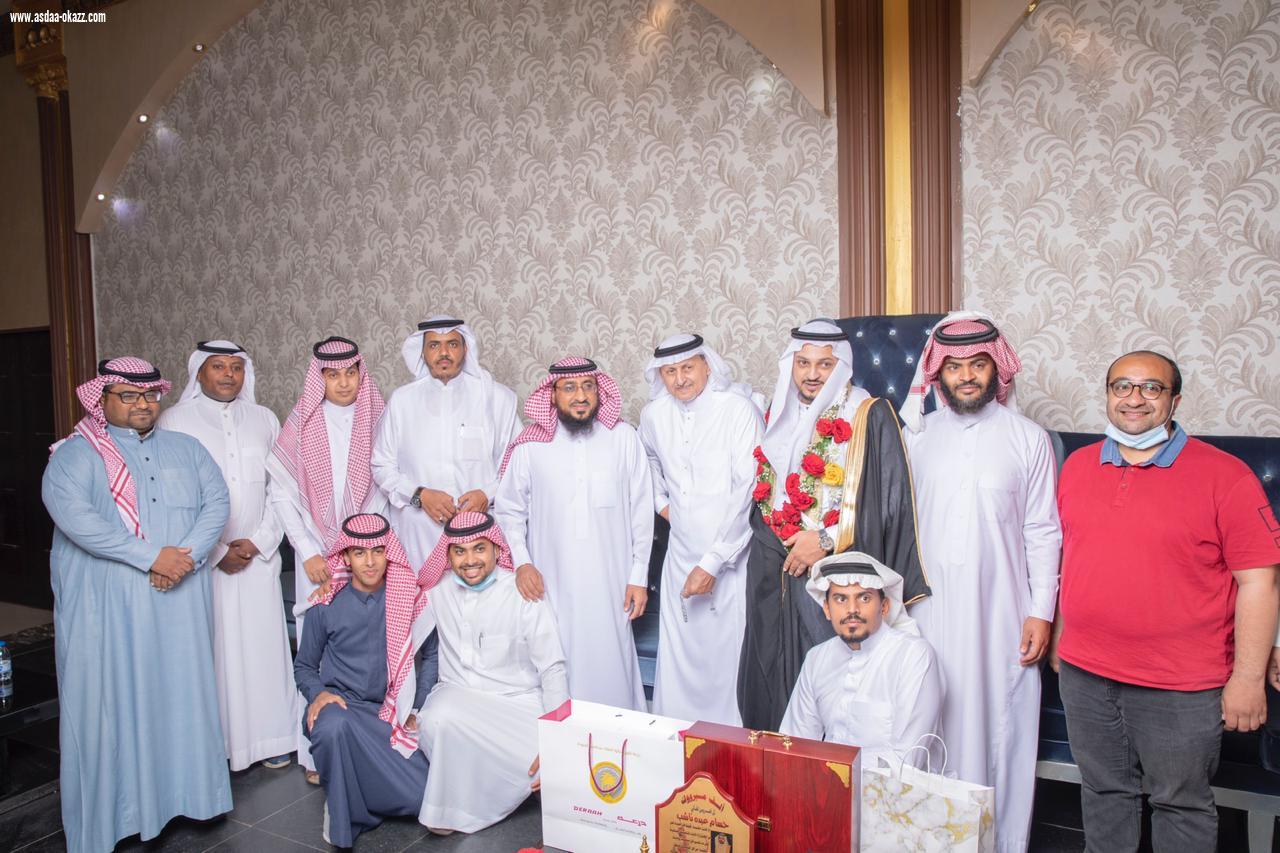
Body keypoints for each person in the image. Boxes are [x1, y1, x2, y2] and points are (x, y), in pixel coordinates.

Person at [1053, 351, 1280, 852]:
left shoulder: (1226, 476)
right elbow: (1073, 556)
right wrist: (1061, 637)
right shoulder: (1077, 466)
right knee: (1102, 792)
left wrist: (1247, 680)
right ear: (1108, 395)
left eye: (1151, 388)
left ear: (1174, 400)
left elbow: (1260, 582)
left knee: (1180, 804)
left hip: (1179, 684)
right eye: (1122, 386)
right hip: (1086, 674)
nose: (1134, 398)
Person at [42, 357, 232, 852]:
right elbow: (77, 519)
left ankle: (190, 800)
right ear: (102, 398)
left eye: (149, 395)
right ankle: (119, 818)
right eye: (128, 395)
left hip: (178, 603)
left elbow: (216, 503)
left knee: (180, 696)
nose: (142, 404)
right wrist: (152, 557)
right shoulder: (75, 456)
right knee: (111, 706)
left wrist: (182, 559)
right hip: (109, 611)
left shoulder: (186, 449)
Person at [899, 312, 1061, 853]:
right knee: (926, 721)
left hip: (1002, 614)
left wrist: (1041, 612)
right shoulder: (916, 438)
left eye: (978, 365)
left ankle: (1000, 843)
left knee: (1001, 727)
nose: (966, 376)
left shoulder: (1028, 438)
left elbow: (1043, 531)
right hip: (925, 612)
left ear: (998, 369)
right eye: (954, 367)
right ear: (937, 373)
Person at [739, 319, 929, 730]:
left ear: (840, 366)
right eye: (803, 363)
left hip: (835, 574)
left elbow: (888, 503)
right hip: (774, 570)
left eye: (824, 364)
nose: (812, 374)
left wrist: (825, 540)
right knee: (767, 669)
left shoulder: (868, 414)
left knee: (829, 682)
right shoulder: (778, 414)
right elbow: (765, 493)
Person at [159, 340, 296, 770]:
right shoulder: (174, 421)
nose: (228, 375)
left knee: (262, 650)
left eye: (235, 367)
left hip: (258, 556)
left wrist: (260, 541)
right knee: (213, 652)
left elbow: (281, 488)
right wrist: (217, 551)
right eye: (217, 366)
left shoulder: (264, 418)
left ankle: (272, 740)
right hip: (204, 560)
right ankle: (215, 747)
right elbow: (172, 497)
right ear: (199, 372)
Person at [495, 356, 653, 710]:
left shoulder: (623, 438)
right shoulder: (530, 446)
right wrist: (522, 563)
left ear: (599, 391)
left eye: (587, 386)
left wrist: (639, 575)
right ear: (552, 395)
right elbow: (508, 511)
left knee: (612, 665)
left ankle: (618, 739)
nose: (580, 396)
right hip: (550, 584)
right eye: (569, 388)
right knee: (555, 661)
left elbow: (642, 511)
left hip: (613, 583)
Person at [267, 335, 386, 781]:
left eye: (350, 373)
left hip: (366, 555)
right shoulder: (301, 422)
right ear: (319, 378)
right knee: (316, 649)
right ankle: (316, 751)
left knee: (367, 646)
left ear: (360, 374)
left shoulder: (379, 418)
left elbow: (386, 489)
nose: (343, 383)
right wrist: (310, 550)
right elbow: (281, 495)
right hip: (316, 556)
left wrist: (361, 547)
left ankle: (367, 743)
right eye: (332, 375)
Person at [416, 512, 567, 834]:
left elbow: (552, 667)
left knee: (553, 762)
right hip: (459, 700)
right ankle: (455, 810)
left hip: (518, 705)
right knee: (437, 718)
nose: (470, 560)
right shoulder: (437, 591)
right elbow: (391, 600)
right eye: (459, 551)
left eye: (479, 549)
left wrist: (557, 739)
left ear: (497, 549)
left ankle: (514, 785)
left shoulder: (522, 591)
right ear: (448, 556)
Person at [638, 333, 762, 724]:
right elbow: (646, 465)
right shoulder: (654, 415)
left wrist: (713, 562)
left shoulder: (738, 410)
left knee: (727, 658)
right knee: (681, 658)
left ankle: (730, 745)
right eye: (670, 372)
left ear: (707, 365)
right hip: (679, 556)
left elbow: (749, 489)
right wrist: (662, 505)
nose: (680, 379)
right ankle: (675, 740)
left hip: (732, 557)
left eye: (687, 368)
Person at [295, 513, 437, 848]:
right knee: (332, 727)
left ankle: (352, 795)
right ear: (346, 557)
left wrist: (417, 707)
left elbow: (431, 656)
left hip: (388, 714)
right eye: (359, 553)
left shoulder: (408, 598)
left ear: (389, 553)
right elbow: (304, 666)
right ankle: (341, 812)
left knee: (423, 798)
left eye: (378, 551)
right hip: (341, 708)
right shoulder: (325, 604)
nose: (370, 562)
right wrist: (318, 694)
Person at [372, 316, 521, 567]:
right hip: (420, 536)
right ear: (422, 352)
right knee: (426, 592)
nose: (443, 353)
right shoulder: (402, 402)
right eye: (434, 345)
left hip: (480, 536)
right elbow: (381, 466)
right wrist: (419, 495)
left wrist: (487, 494)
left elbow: (518, 466)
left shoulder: (497, 399)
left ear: (465, 349)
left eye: (452, 344)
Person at [780, 552, 942, 769]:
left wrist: (829, 770)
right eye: (841, 599)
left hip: (898, 789)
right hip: (827, 785)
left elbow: (907, 762)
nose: (852, 610)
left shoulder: (913, 655)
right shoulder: (817, 659)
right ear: (827, 609)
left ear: (884, 607)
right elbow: (795, 744)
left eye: (864, 598)